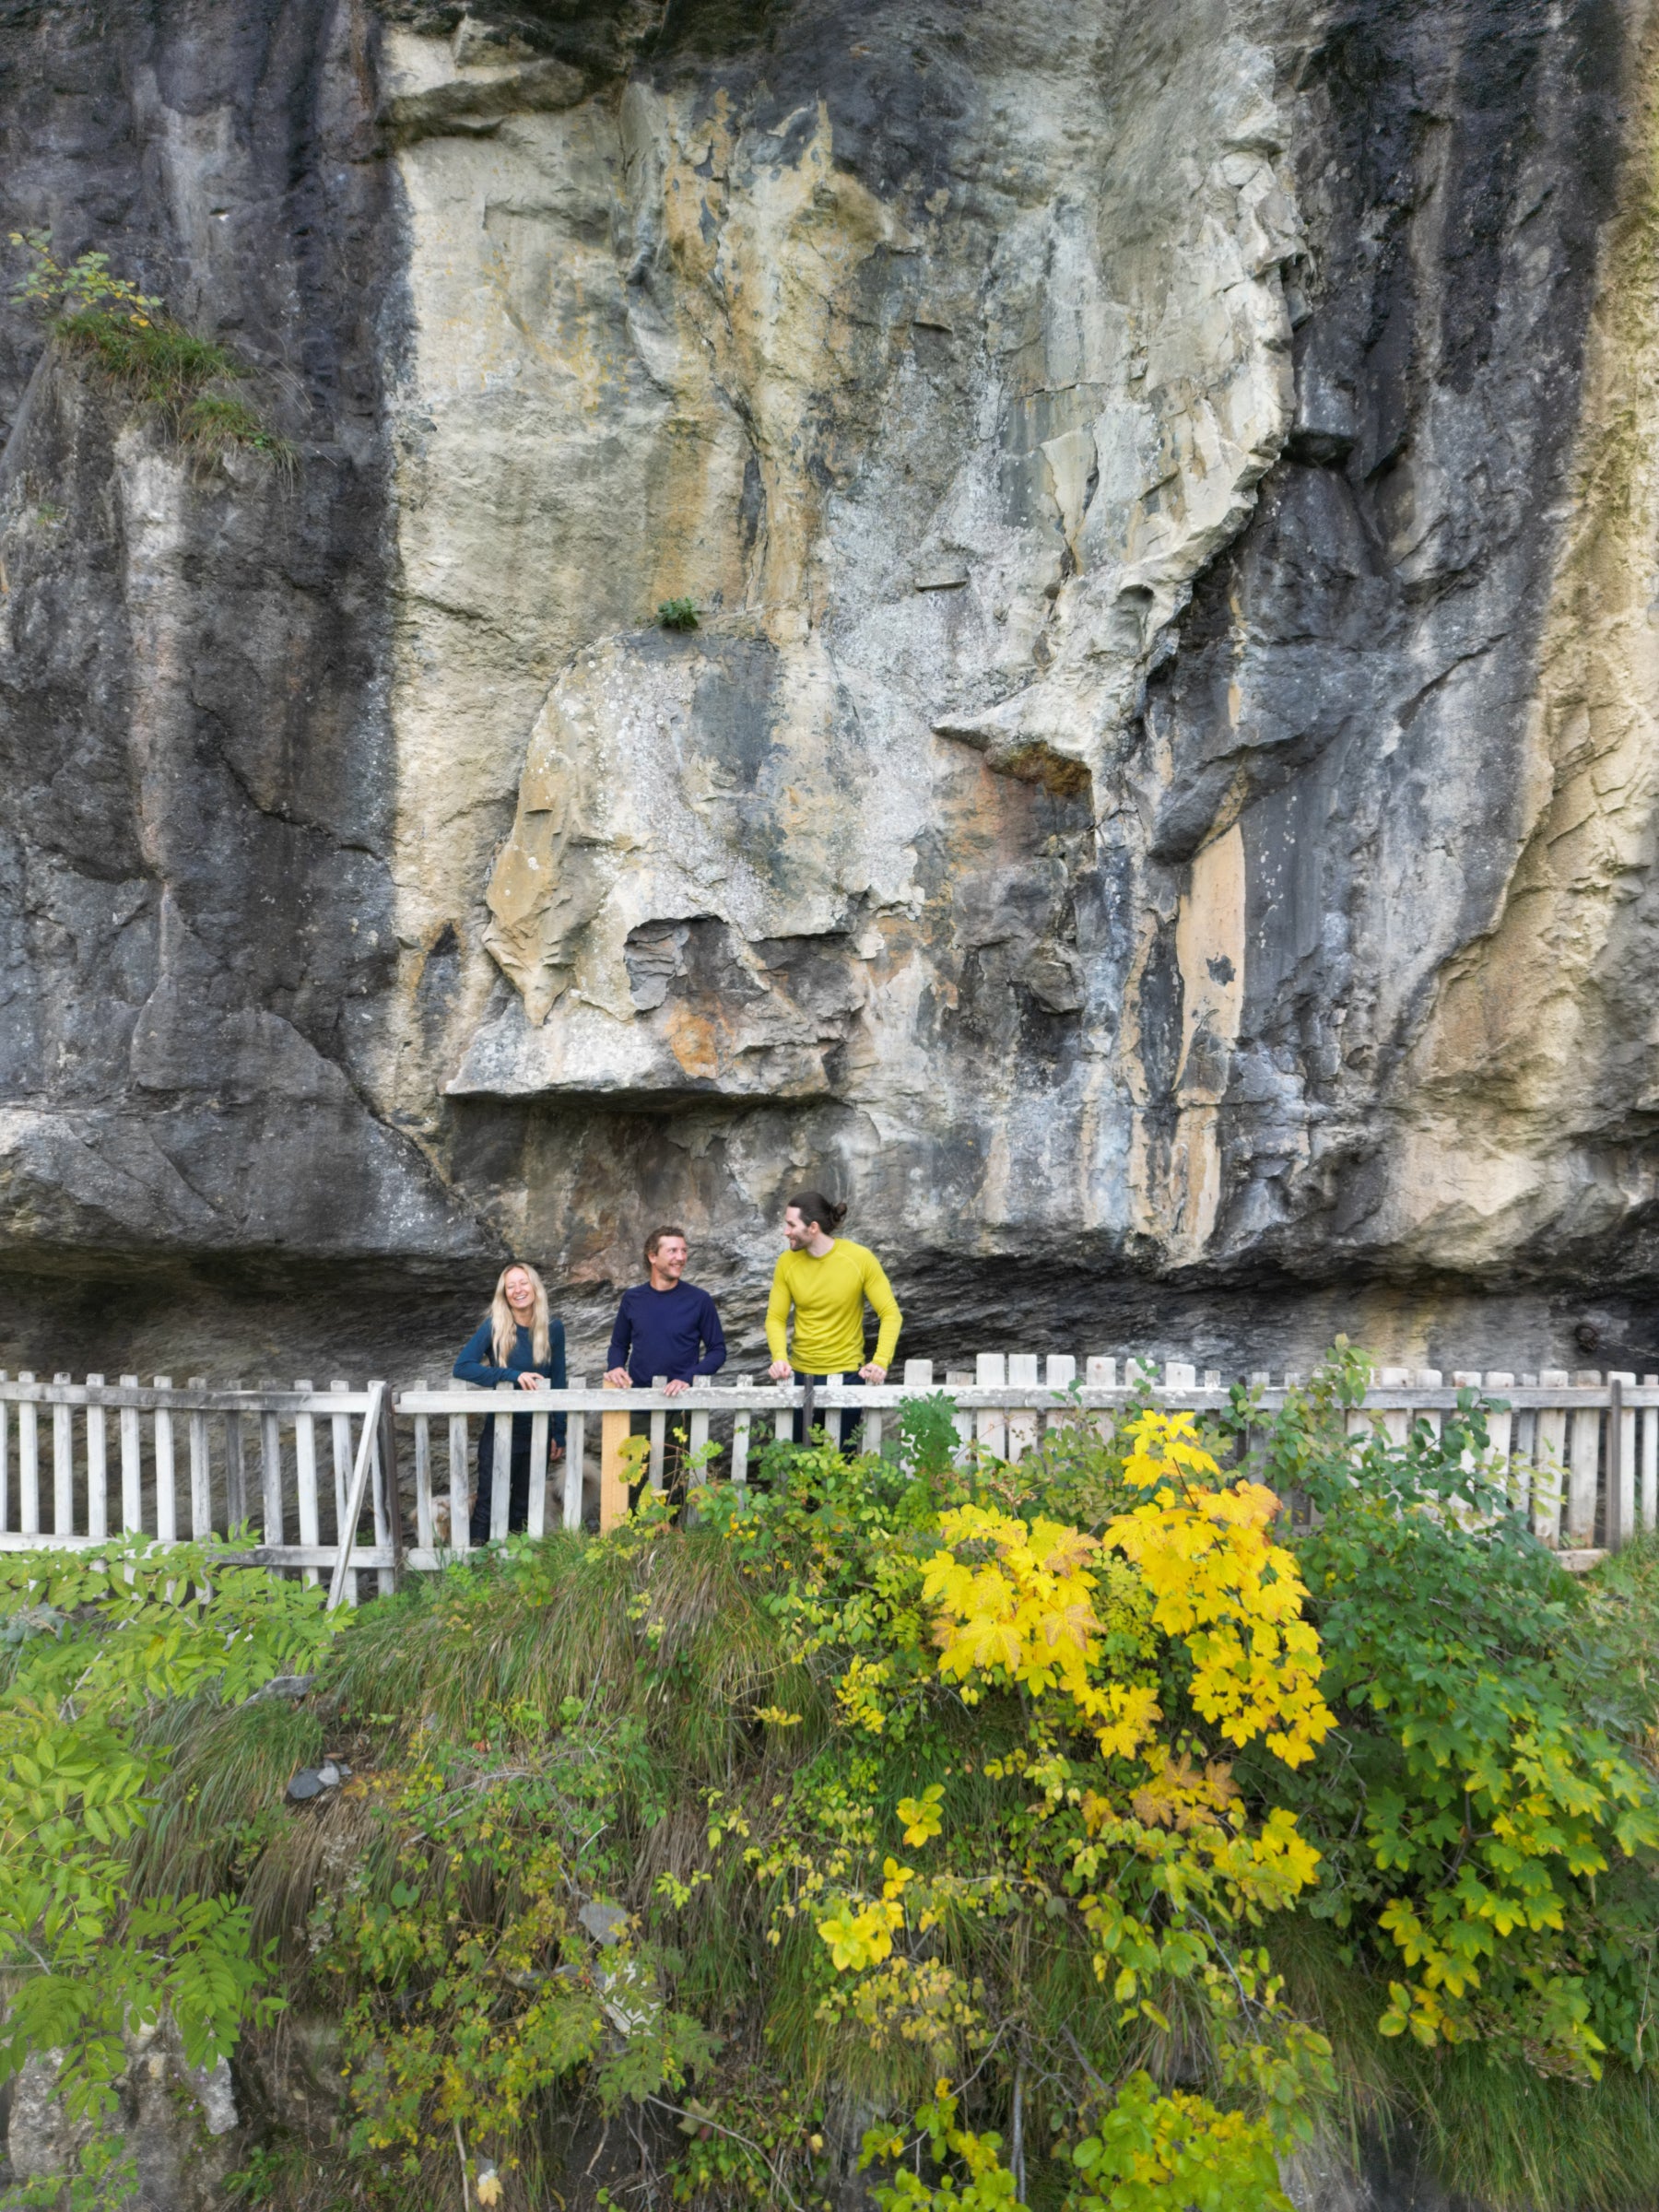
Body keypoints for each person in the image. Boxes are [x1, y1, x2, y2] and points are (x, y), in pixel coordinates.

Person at [765, 1190, 900, 1447]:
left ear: (813, 1227)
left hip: (847, 1374)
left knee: (842, 1462)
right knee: (799, 1462)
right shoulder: (786, 1263)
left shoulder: (859, 1259)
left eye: (791, 1224)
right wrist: (779, 1357)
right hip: (799, 1375)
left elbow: (890, 1313)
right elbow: (775, 1318)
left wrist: (881, 1361)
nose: (786, 1231)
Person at [605, 1225, 725, 1507]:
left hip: (681, 1406)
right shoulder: (633, 1299)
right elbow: (618, 1344)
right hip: (640, 1404)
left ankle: (670, 1543)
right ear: (652, 1256)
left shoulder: (699, 1300)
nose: (680, 1257)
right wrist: (615, 1366)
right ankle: (633, 1542)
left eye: (684, 1251)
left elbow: (718, 1351)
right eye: (672, 1250)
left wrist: (689, 1377)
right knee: (634, 1477)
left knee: (674, 1479)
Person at [453, 1262, 566, 1543]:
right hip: (501, 1430)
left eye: (523, 1282)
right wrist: (511, 1374)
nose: (518, 1290)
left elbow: (560, 1380)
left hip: (537, 1433)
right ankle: (477, 1567)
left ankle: (512, 1570)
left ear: (535, 1287)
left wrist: (558, 1431)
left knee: (523, 1505)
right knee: (489, 1502)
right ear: (504, 1294)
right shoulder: (495, 1326)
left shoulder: (553, 1328)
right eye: (511, 1286)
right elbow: (462, 1367)